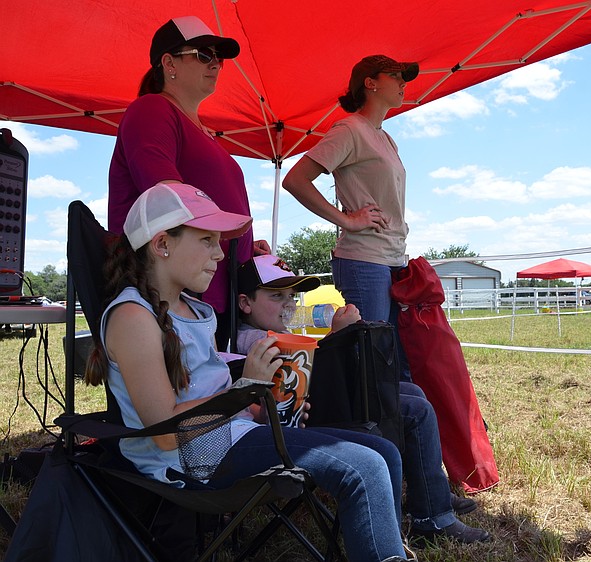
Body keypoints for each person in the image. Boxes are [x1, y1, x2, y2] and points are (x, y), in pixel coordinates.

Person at [85, 182, 412, 562]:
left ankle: (386, 547)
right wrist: (246, 388)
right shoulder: (133, 317)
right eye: (207, 241)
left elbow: (211, 391)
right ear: (162, 244)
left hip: (232, 433)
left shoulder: (191, 308)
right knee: (363, 466)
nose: (218, 255)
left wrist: (262, 405)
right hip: (190, 460)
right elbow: (166, 435)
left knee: (383, 450)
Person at [235, 255, 493, 546]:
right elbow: (312, 373)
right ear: (246, 303)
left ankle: (430, 494)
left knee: (411, 393)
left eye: (292, 296)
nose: (289, 304)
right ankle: (432, 515)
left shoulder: (276, 332)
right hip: (302, 420)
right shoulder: (256, 341)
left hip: (315, 408)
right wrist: (338, 335)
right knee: (414, 408)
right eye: (276, 295)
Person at [107, 15, 269, 350]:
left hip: (208, 285)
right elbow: (168, 200)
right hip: (173, 290)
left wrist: (242, 244)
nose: (216, 65)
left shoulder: (202, 131)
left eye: (219, 59)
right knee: (190, 396)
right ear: (169, 63)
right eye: (204, 55)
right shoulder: (152, 109)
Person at [281, 55, 418, 356]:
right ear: (370, 83)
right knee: (371, 359)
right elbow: (295, 180)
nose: (403, 83)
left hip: (392, 258)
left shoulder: (387, 139)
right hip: (364, 259)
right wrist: (349, 221)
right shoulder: (349, 129)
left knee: (393, 357)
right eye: (395, 75)